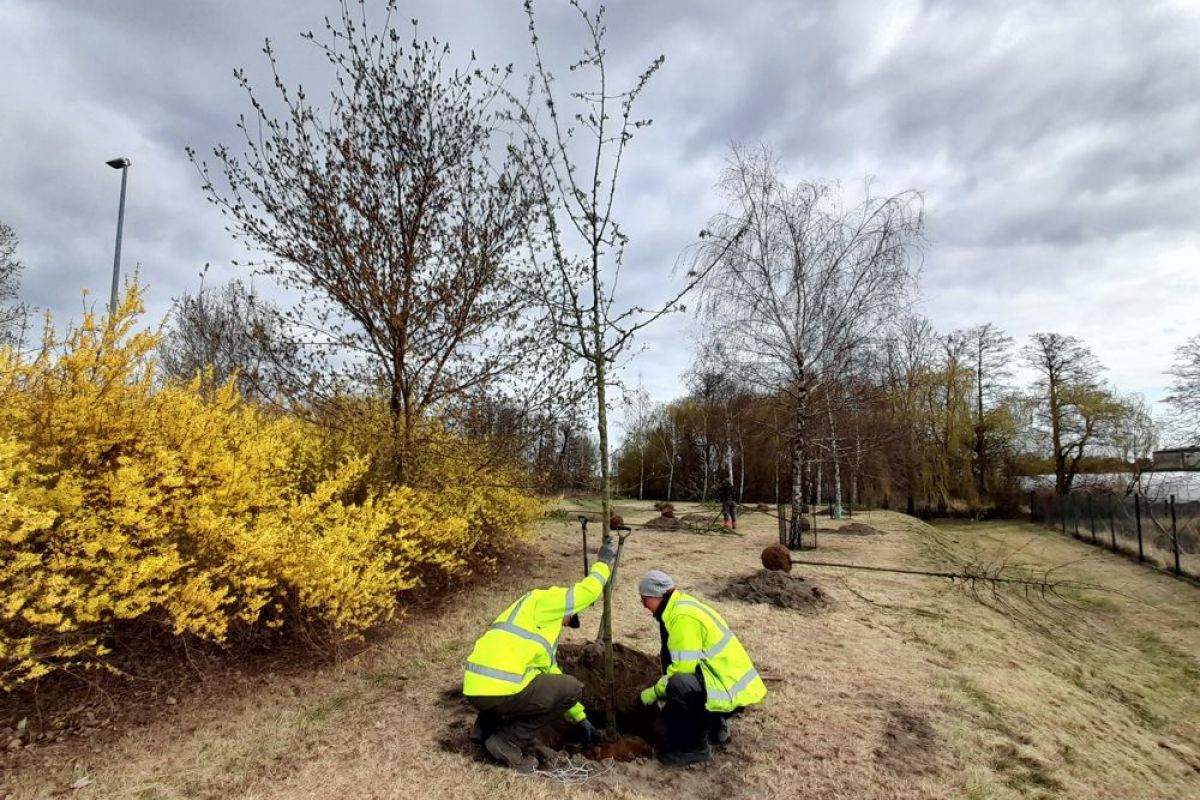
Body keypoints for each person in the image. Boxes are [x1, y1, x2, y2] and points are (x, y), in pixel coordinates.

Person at [462, 535, 618, 772]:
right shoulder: (544, 601)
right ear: (569, 611)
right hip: (499, 691)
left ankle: (484, 731)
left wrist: (581, 718)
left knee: (520, 685)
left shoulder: (524, 618)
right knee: (572, 687)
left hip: (475, 689)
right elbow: (587, 592)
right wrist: (603, 563)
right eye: (569, 620)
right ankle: (507, 742)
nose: (565, 626)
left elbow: (550, 674)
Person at [636, 569, 766, 764]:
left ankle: (695, 749)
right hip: (724, 681)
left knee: (679, 684)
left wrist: (653, 693)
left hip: (727, 689)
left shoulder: (682, 617)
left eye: (644, 599)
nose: (643, 605)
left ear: (656, 596)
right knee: (663, 729)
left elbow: (681, 672)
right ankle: (714, 722)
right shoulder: (678, 607)